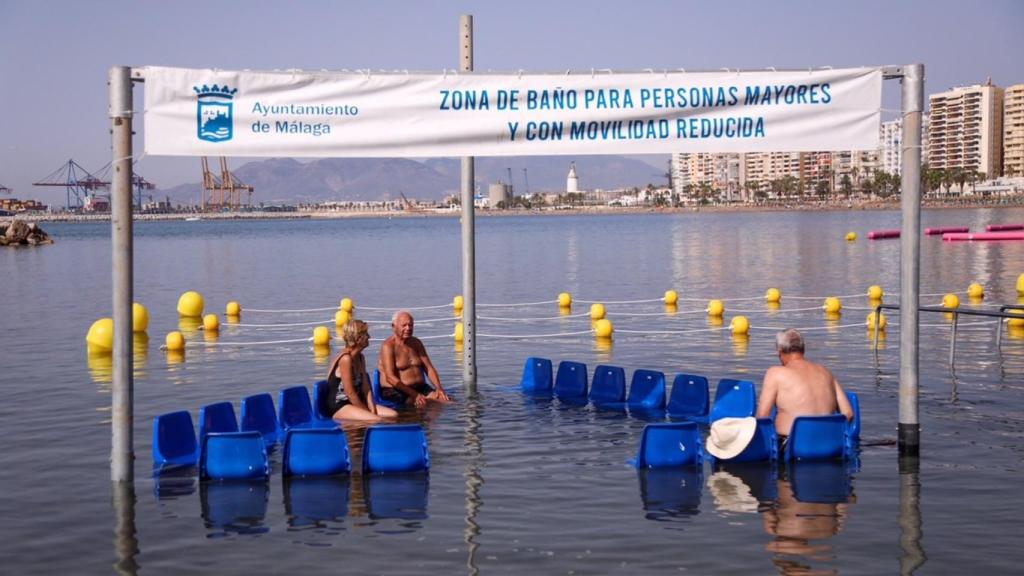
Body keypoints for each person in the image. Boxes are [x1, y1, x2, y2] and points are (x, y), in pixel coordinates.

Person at [756, 328, 854, 453]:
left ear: (780, 351)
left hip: (792, 449)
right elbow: (848, 413)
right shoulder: (825, 372)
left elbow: (762, 417)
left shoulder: (775, 373)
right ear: (803, 349)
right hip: (830, 446)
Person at [327, 319, 397, 422]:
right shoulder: (346, 359)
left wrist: (372, 407)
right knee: (375, 420)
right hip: (340, 405)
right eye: (366, 334)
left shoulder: (360, 357)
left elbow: (366, 387)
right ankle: (353, 428)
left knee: (393, 415)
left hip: (355, 401)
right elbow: (350, 393)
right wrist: (367, 412)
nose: (369, 337)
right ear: (358, 338)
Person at [378, 310, 451, 407]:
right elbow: (390, 377)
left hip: (420, 387)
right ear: (394, 326)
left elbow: (429, 368)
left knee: (447, 401)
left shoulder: (416, 343)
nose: (408, 328)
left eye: (410, 325)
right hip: (396, 390)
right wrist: (414, 394)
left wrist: (439, 388)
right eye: (404, 325)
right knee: (426, 404)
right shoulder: (388, 346)